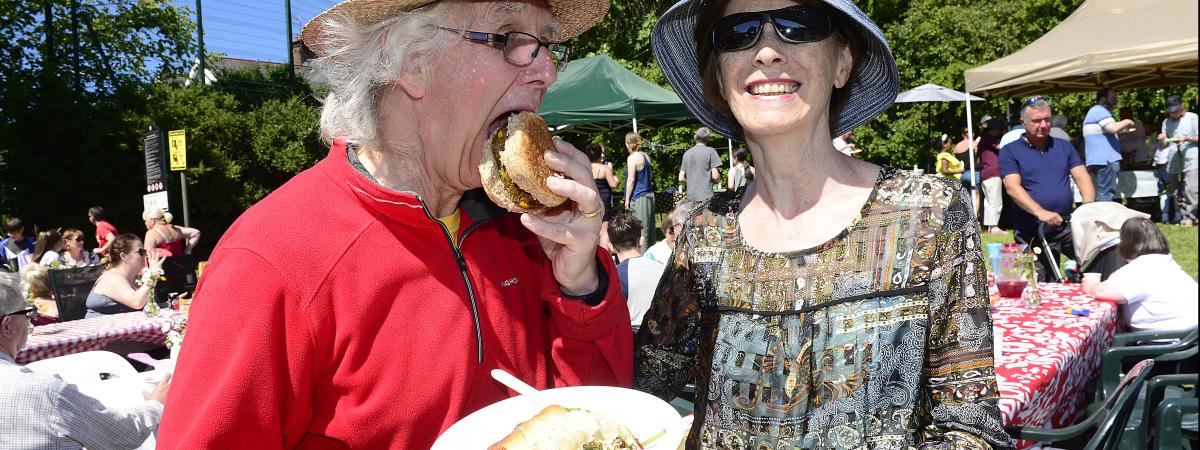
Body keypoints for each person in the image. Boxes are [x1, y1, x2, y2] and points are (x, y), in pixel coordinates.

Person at [156, 1, 630, 448]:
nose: (546, 72)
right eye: (509, 38)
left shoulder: (530, 228)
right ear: (410, 64)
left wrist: (580, 286)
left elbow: (596, 421)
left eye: (548, 46)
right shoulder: (272, 259)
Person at [636, 1, 1012, 448]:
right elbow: (634, 398)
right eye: (739, 32)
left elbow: (972, 429)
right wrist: (583, 280)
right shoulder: (706, 232)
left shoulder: (927, 215)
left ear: (842, 63)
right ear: (718, 75)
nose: (768, 52)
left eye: (799, 25)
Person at [0, 272, 172, 449]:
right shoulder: (44, 391)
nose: (31, 320)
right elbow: (121, 435)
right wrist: (157, 404)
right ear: (7, 326)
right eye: (27, 313)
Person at [1001, 97, 1096, 282]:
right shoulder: (1010, 151)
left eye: (1047, 119)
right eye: (1037, 120)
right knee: (1041, 285)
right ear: (1023, 123)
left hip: (1067, 226)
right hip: (1033, 230)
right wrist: (1040, 212)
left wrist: (1088, 208)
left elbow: (1082, 176)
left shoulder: (1063, 146)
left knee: (1097, 264)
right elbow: (1012, 187)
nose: (1043, 125)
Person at [1089, 218, 1198, 333]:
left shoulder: (1141, 269)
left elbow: (1100, 292)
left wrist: (1090, 282)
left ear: (1127, 243)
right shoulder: (1163, 261)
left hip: (1166, 342)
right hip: (1189, 337)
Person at [607, 213, 666, 332]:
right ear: (641, 241)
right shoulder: (662, 268)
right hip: (663, 336)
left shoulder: (614, 275)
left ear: (611, 247)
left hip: (631, 339)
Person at [85, 234, 165, 318]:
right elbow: (136, 302)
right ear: (123, 256)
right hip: (100, 328)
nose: (145, 255)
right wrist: (153, 274)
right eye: (141, 252)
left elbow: (152, 307)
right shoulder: (112, 278)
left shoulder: (137, 278)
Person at [1084, 88, 1136, 202]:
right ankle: (1104, 218)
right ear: (1103, 99)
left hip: (1099, 159)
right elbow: (1113, 128)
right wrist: (1127, 121)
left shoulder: (1094, 111)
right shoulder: (1099, 110)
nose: (1115, 101)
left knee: (1103, 191)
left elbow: (1107, 132)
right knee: (1106, 194)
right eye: (1112, 98)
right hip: (1105, 159)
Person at [1158, 94, 1198, 227]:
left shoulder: (1192, 118)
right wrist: (1161, 140)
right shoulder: (1166, 122)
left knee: (1191, 188)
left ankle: (1190, 217)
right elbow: (1163, 146)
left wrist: (1188, 138)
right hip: (1174, 158)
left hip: (1192, 157)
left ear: (1181, 107)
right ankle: (1180, 214)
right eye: (1171, 112)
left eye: (1175, 111)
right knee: (1176, 190)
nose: (1173, 114)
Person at [624, 131, 656, 254]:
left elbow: (631, 180)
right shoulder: (646, 156)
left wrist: (627, 200)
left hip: (639, 197)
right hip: (649, 196)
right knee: (651, 231)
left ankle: (644, 260)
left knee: (642, 232)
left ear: (629, 144)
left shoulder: (632, 158)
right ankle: (651, 258)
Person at [587, 142, 619, 251]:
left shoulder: (586, 167)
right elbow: (613, 184)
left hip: (591, 200)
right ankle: (604, 256)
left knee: (592, 229)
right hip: (604, 201)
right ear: (600, 154)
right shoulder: (605, 168)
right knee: (604, 231)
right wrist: (616, 179)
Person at [643, 200, 695, 264]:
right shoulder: (654, 254)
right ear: (665, 231)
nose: (677, 234)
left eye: (683, 230)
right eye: (672, 230)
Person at [679, 126, 722, 202]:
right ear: (708, 139)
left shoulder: (687, 153)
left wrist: (690, 183)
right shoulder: (711, 151)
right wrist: (719, 180)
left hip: (690, 197)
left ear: (695, 138)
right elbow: (715, 176)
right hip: (706, 197)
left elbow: (681, 178)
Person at [979, 118, 1006, 234]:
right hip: (993, 172)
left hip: (986, 173)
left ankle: (991, 226)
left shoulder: (983, 139)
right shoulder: (990, 139)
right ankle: (993, 227)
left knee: (989, 201)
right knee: (995, 201)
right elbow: (1001, 147)